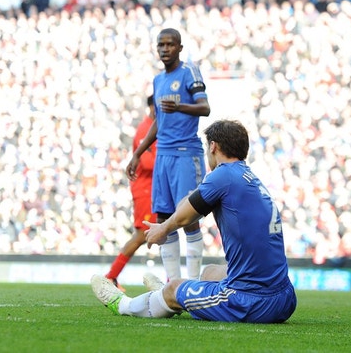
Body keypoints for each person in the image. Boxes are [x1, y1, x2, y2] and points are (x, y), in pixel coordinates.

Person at [92, 120, 297, 323]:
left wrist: (162, 229)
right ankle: (173, 297)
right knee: (209, 272)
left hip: (252, 302)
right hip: (285, 297)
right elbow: (189, 203)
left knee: (173, 288)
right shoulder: (247, 176)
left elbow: (184, 216)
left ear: (213, 146)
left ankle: (124, 304)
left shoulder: (222, 175)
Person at [126, 28, 210, 282]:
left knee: (189, 218)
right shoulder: (158, 80)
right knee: (163, 219)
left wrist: (179, 106)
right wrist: (138, 153)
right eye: (161, 45)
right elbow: (159, 121)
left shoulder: (189, 72)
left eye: (170, 44)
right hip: (163, 155)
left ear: (179, 48)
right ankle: (172, 283)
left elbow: (205, 108)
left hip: (186, 154)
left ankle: (192, 283)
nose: (165, 49)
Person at [105, 95, 157, 290]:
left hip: (153, 189)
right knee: (143, 234)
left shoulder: (154, 128)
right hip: (145, 189)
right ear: (152, 107)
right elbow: (147, 163)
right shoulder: (145, 130)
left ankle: (172, 282)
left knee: (165, 232)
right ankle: (111, 276)